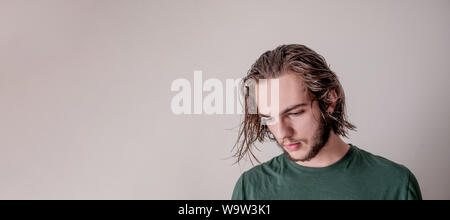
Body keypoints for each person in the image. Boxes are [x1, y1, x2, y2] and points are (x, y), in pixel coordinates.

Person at [231, 44, 422, 200]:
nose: (282, 133)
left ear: (329, 101)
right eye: (268, 118)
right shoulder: (251, 188)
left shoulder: (395, 184)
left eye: (295, 113)